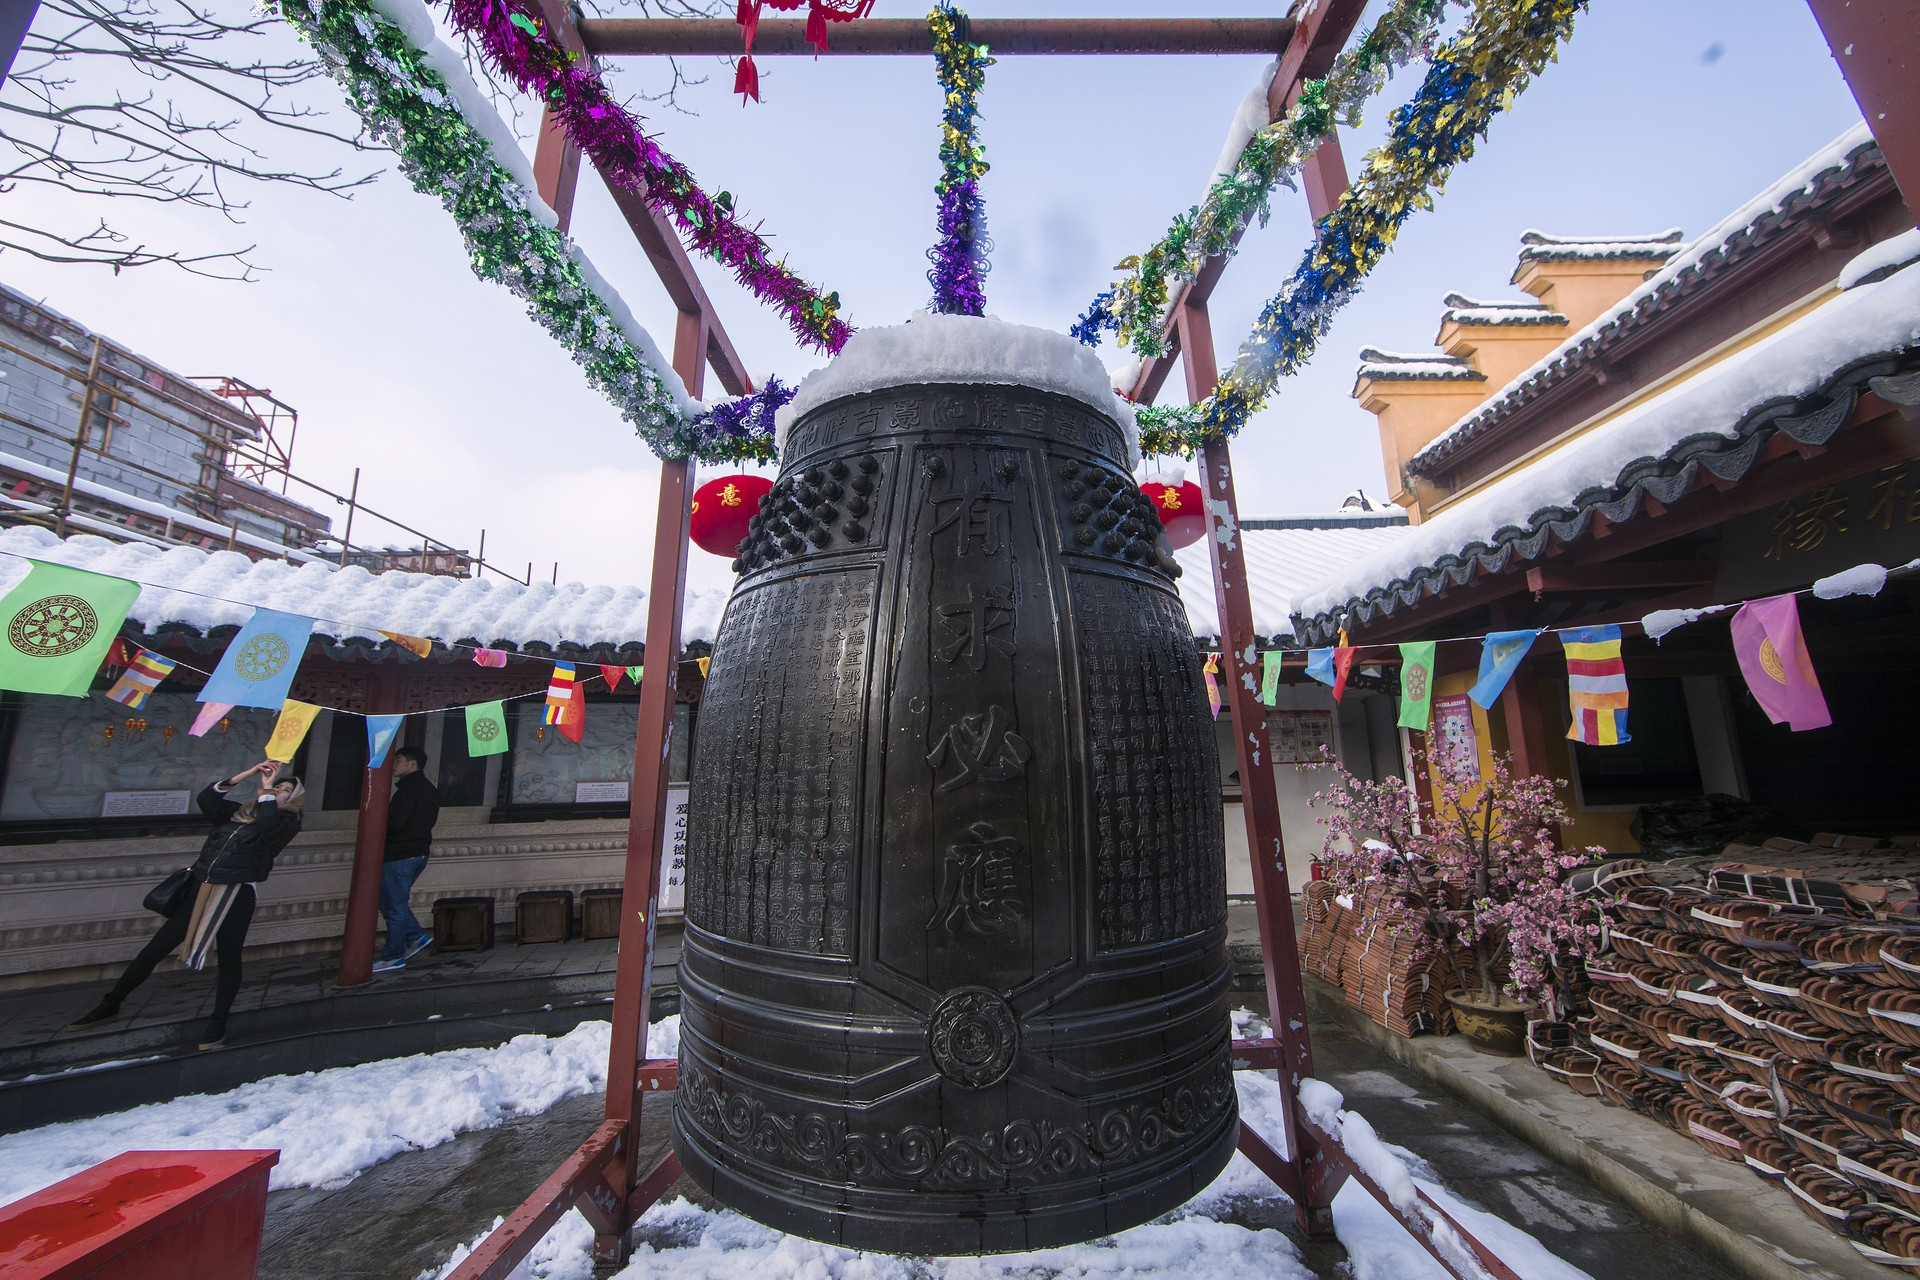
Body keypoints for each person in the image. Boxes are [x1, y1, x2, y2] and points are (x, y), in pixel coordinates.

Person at [65, 761, 305, 1050]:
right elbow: (207, 799)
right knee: (154, 949)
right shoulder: (236, 814)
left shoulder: (287, 823)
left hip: (235, 894)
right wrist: (248, 774)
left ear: (292, 799)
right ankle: (111, 1003)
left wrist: (267, 791)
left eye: (285, 790)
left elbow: (267, 826)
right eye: (277, 787)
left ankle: (217, 1022)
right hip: (200, 888)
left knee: (229, 960)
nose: (278, 790)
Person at [374, 744, 441, 973]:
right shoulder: (428, 789)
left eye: (398, 760)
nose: (393, 765)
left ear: (412, 764)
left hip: (400, 853)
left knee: (394, 906)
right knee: (392, 901)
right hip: (418, 851)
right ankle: (415, 935)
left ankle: (394, 955)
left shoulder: (408, 791)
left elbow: (394, 824)